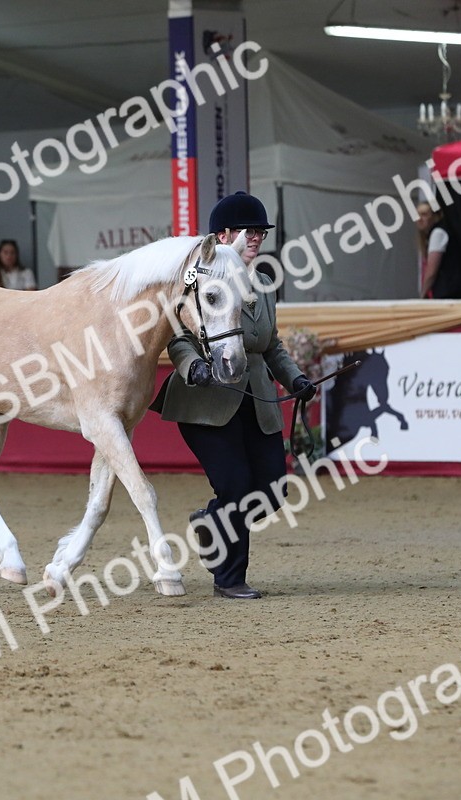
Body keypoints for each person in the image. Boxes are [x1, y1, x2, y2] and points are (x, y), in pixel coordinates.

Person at [149, 191, 316, 599]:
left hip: (256, 401)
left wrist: (296, 379)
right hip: (206, 400)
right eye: (247, 230)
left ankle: (211, 522)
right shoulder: (197, 281)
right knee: (237, 486)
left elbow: (270, 344)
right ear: (222, 236)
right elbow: (178, 338)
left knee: (273, 490)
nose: (255, 237)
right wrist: (194, 367)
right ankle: (229, 579)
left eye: (260, 231)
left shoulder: (263, 284)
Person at [416, 201, 447, 298]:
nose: (419, 219)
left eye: (424, 215)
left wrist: (422, 295)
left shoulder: (438, 233)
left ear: (435, 216)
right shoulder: (428, 237)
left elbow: (431, 271)